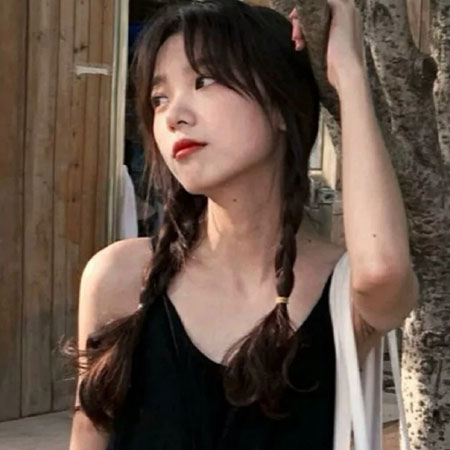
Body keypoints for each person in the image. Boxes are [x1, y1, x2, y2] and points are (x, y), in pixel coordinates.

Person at [68, 0, 419, 448]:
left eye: (203, 81)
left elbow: (384, 269)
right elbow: (87, 438)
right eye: (159, 98)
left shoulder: (339, 292)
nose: (174, 115)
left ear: (280, 106)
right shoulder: (120, 277)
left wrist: (349, 76)